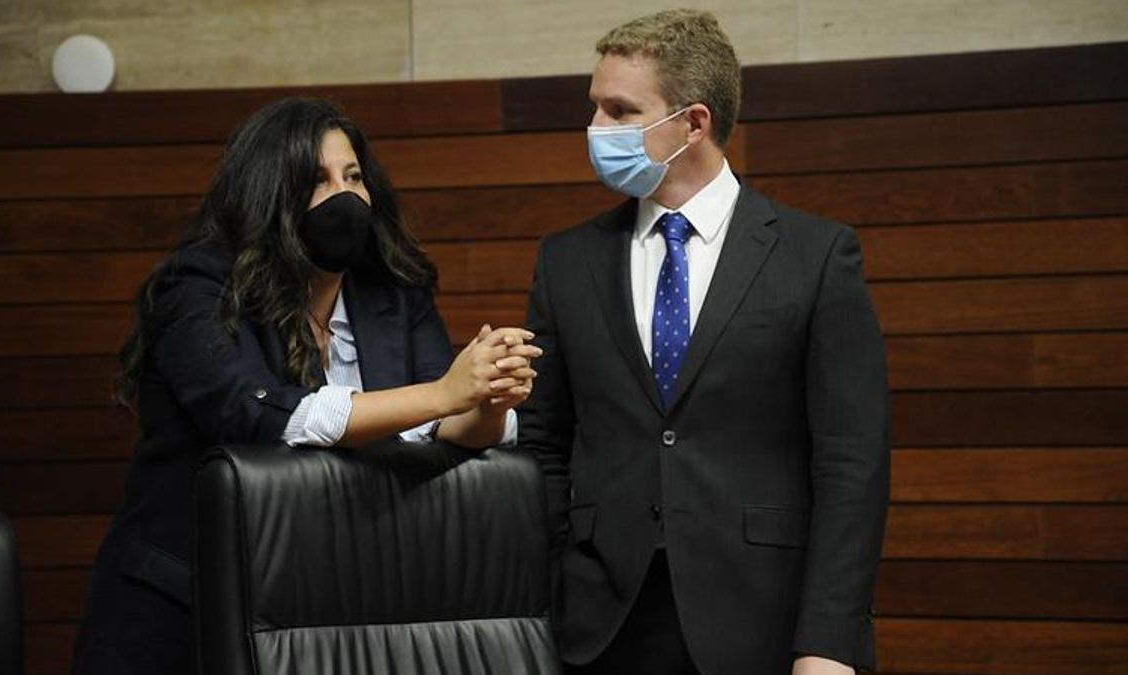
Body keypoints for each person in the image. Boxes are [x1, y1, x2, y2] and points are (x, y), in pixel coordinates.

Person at [71, 97, 540, 674]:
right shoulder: (197, 284)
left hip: (327, 603)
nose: (343, 196)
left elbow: (438, 429)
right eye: (317, 180)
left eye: (353, 177)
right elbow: (258, 419)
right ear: (269, 193)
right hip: (187, 604)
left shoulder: (391, 292)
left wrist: (488, 401)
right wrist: (446, 391)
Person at [518, 9, 889, 675]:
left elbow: (852, 463)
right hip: (602, 628)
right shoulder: (566, 261)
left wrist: (828, 642)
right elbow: (544, 443)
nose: (597, 130)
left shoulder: (816, 255)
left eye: (621, 111)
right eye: (594, 107)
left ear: (693, 123)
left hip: (765, 624)